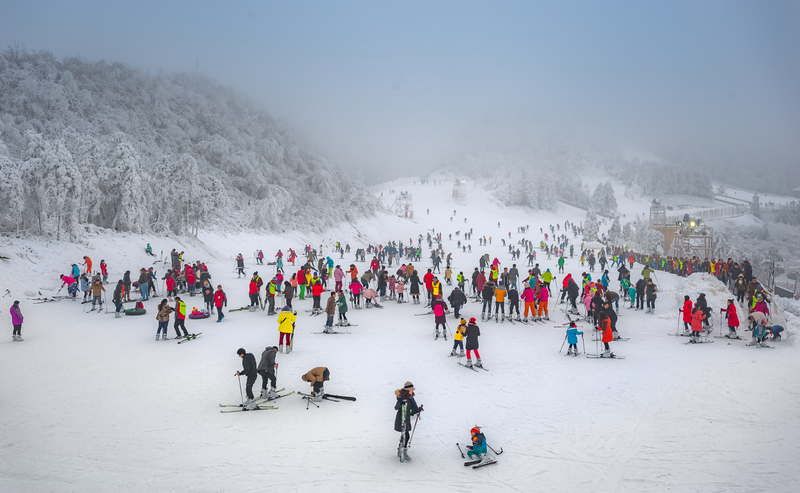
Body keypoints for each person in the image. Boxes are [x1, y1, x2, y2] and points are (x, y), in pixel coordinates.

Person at [394, 381, 422, 462]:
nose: (412, 391)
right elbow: (396, 407)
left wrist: (417, 410)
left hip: (407, 417)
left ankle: (401, 449)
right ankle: (403, 451)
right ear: (408, 389)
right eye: (411, 389)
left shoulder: (410, 397)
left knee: (405, 435)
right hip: (401, 418)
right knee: (405, 435)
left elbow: (413, 407)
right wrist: (401, 403)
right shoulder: (401, 396)